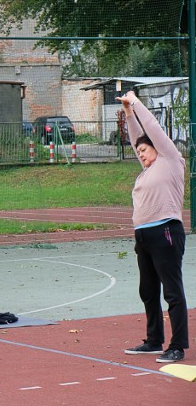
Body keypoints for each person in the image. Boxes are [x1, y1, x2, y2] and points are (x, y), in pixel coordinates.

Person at [116, 91, 188, 363]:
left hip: (166, 231)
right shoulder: (147, 169)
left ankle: (177, 345)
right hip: (144, 236)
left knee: (172, 291)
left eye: (145, 150)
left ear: (157, 147)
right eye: (140, 153)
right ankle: (154, 340)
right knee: (148, 290)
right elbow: (138, 139)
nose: (141, 155)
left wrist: (135, 102)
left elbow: (151, 132)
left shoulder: (170, 160)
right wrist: (127, 112)